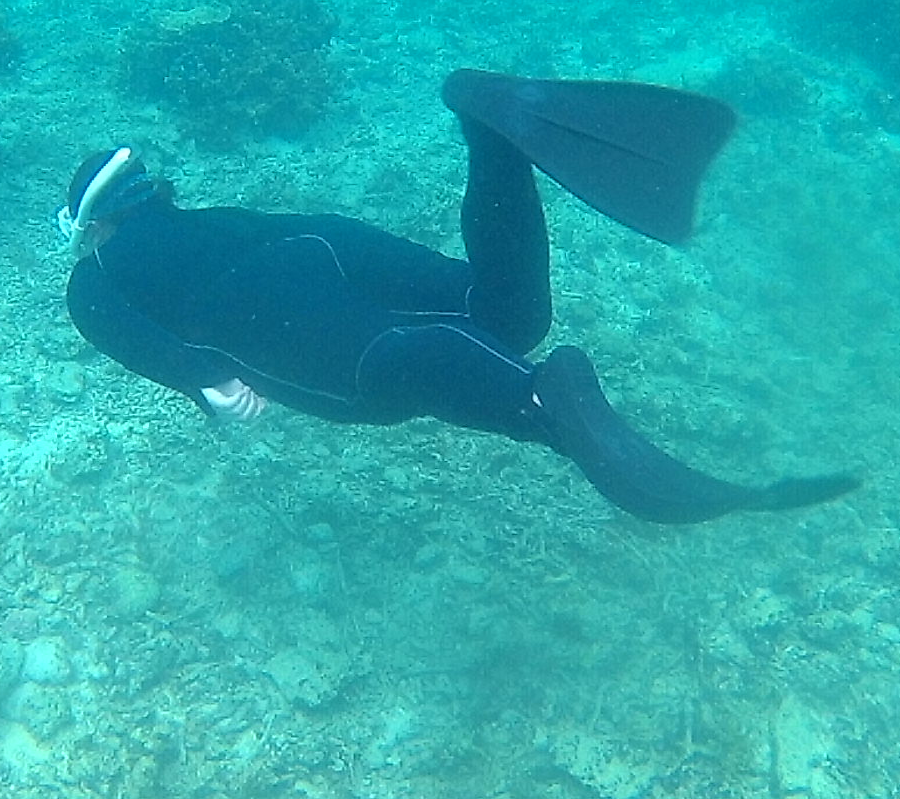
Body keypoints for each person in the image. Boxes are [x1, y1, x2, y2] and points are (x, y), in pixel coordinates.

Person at [60, 69, 857, 523]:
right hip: (318, 245)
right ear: (148, 192)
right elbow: (300, 234)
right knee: (503, 312)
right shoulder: (205, 216)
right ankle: (493, 135)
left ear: (89, 226)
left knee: (390, 366)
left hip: (262, 304)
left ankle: (547, 406)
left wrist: (205, 376)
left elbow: (137, 340)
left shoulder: (93, 279)